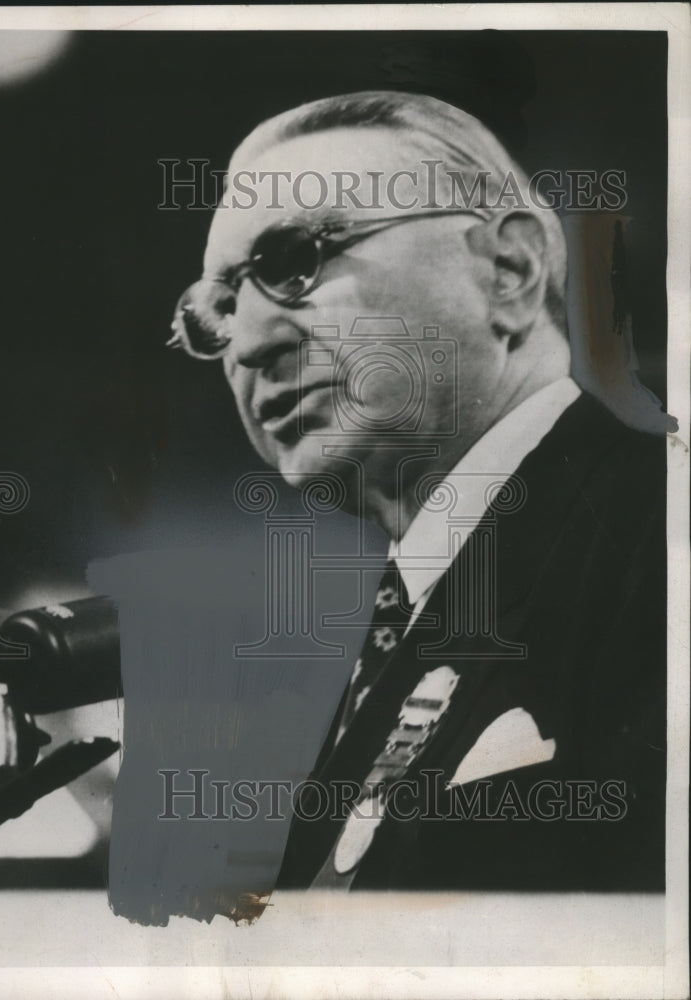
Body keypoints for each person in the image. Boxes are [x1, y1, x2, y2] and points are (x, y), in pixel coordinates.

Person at [166, 92, 666, 892]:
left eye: (293, 262)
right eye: (220, 311)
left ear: (508, 271)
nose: (250, 343)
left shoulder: (660, 538)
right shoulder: (379, 638)